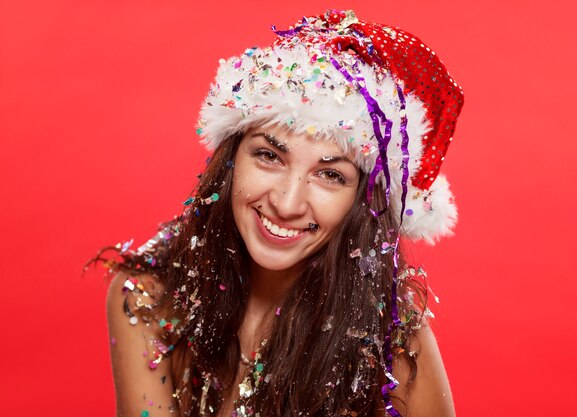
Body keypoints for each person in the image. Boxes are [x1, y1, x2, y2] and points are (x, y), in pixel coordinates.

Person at [93, 9, 464, 417]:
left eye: (330, 175)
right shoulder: (148, 300)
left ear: (363, 201)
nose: (286, 204)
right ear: (231, 159)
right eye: (269, 156)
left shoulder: (392, 341)